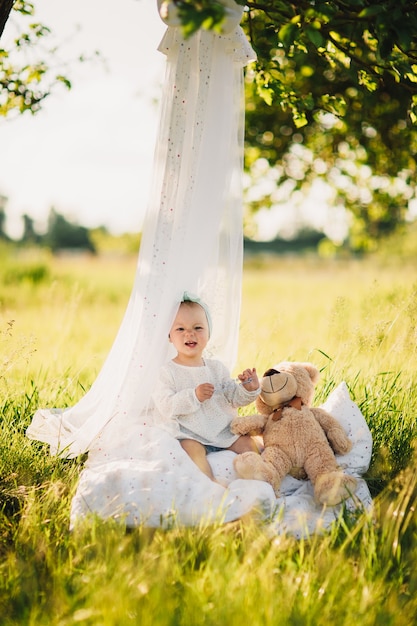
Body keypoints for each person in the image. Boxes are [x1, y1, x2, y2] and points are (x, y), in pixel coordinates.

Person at [152, 295, 260, 483]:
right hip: (189, 432)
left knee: (248, 444)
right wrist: (193, 396)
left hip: (222, 430)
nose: (189, 334)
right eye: (180, 329)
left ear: (208, 333)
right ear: (169, 335)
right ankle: (210, 482)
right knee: (190, 451)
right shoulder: (167, 372)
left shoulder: (216, 368)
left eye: (198, 328)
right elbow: (166, 406)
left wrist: (248, 389)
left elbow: (232, 396)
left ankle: (260, 474)